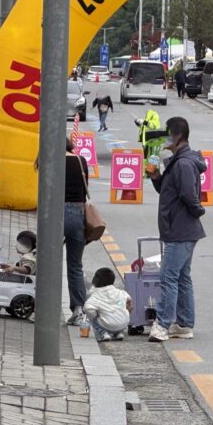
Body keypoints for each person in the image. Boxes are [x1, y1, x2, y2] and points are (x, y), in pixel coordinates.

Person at [147, 116, 207, 342]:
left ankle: (162, 325)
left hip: (180, 229)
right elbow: (167, 190)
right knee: (182, 277)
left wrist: (197, 211)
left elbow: (189, 195)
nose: (165, 137)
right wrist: (155, 177)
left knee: (169, 277)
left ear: (178, 136)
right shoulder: (177, 160)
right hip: (181, 227)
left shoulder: (183, 163)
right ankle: (184, 324)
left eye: (168, 133)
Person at [64, 137, 90, 324]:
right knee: (75, 265)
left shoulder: (49, 159)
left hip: (55, 212)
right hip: (77, 213)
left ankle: (39, 307)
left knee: (46, 262)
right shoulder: (81, 161)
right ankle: (78, 310)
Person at [84, 267, 133, 342]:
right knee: (121, 311)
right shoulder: (120, 292)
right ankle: (119, 333)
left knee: (93, 318)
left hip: (107, 325)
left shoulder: (95, 296)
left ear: (95, 281)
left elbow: (87, 308)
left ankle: (103, 334)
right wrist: (126, 311)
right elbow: (129, 300)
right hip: (124, 323)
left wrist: (95, 315)